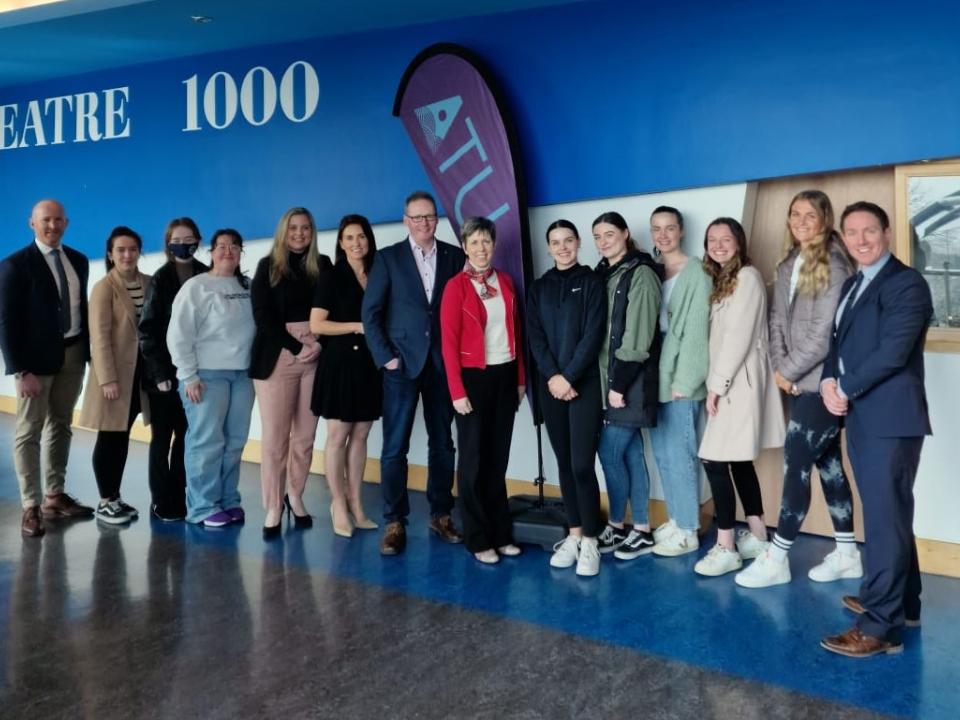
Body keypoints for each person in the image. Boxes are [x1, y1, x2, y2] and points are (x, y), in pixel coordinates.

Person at [820, 202, 932, 658]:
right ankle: (903, 603)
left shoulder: (907, 283)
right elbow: (837, 344)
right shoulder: (853, 283)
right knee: (889, 514)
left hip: (891, 419)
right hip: (864, 416)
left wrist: (844, 386)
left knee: (885, 520)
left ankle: (881, 628)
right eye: (852, 232)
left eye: (870, 231)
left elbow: (892, 351)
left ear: (887, 233)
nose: (861, 239)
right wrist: (830, 379)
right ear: (844, 237)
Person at [737, 190, 860, 589]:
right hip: (794, 381)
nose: (801, 221)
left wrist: (788, 370)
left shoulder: (836, 263)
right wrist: (780, 369)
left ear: (826, 219)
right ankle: (847, 553)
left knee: (796, 465)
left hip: (822, 384)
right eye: (795, 214)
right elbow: (776, 319)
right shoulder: (790, 261)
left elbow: (826, 334)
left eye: (811, 215)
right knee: (828, 465)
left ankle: (778, 556)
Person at [361, 191, 465, 555]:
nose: (424, 223)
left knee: (443, 444)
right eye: (416, 218)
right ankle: (394, 521)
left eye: (429, 217)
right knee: (394, 448)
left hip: (442, 366)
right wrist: (386, 358)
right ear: (405, 220)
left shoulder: (455, 256)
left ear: (437, 219)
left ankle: (441, 514)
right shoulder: (388, 258)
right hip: (401, 365)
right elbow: (370, 314)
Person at [695, 217, 785, 577]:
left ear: (739, 242)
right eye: (711, 239)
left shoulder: (746, 278)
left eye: (725, 239)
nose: (718, 245)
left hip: (737, 385)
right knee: (737, 461)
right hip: (734, 383)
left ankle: (726, 545)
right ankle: (759, 534)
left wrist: (716, 386)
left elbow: (738, 339)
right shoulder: (725, 280)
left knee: (714, 460)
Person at [0, 199, 94, 537]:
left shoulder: (79, 261)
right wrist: (19, 370)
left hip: (72, 356)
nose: (52, 226)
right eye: (45, 220)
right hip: (34, 365)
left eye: (58, 220)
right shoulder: (14, 266)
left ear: (66, 223)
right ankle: (30, 506)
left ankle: (54, 496)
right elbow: (6, 323)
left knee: (61, 425)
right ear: (32, 223)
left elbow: (80, 310)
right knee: (29, 432)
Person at [440, 217, 525, 564]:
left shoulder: (504, 281)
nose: (480, 248)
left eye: (486, 242)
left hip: (505, 377)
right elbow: (448, 344)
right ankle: (477, 539)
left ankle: (500, 533)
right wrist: (457, 392)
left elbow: (516, 334)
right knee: (473, 461)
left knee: (497, 460)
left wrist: (520, 379)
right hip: (472, 379)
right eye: (474, 242)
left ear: (494, 244)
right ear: (464, 247)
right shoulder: (455, 287)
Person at [526, 220, 606, 576]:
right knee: (563, 464)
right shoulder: (539, 288)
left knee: (581, 465)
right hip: (552, 387)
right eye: (555, 242)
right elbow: (536, 338)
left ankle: (591, 540)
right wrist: (555, 378)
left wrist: (569, 376)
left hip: (583, 385)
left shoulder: (592, 283)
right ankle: (573, 534)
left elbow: (593, 335)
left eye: (568, 241)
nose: (562, 247)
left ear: (578, 244)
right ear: (548, 248)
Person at [250, 208, 330, 540]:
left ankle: (294, 495)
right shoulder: (267, 267)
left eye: (306, 228)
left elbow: (335, 306)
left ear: (312, 232)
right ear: (284, 231)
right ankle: (273, 506)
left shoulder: (323, 265)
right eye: (293, 228)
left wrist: (318, 342)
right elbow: (262, 316)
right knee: (275, 441)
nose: (299, 233)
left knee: (305, 438)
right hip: (278, 354)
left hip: (316, 355)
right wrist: (297, 346)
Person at [167, 229, 256, 528]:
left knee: (234, 442)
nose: (228, 251)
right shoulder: (197, 287)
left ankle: (228, 500)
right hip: (206, 376)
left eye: (234, 246)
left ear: (241, 251)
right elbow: (178, 335)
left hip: (243, 375)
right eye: (221, 246)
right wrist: (188, 376)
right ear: (211, 252)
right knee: (206, 442)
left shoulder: (249, 286)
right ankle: (203, 507)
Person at [592, 212, 662, 560]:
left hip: (629, 380)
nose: (603, 242)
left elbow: (638, 335)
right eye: (597, 237)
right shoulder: (605, 273)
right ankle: (642, 530)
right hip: (611, 378)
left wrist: (617, 385)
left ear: (625, 234)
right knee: (631, 454)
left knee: (609, 452)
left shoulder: (642, 274)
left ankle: (618, 524)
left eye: (609, 234)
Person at [646, 206, 712, 557]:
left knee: (682, 452)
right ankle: (676, 517)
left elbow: (699, 333)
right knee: (664, 454)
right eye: (657, 229)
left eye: (670, 228)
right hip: (656, 376)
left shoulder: (697, 273)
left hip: (681, 379)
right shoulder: (653, 270)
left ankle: (688, 529)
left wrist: (686, 381)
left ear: (681, 231)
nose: (663, 235)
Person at [311, 214, 381, 538]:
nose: (357, 243)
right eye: (350, 238)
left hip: (369, 364)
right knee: (338, 436)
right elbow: (317, 325)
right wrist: (356, 326)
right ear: (341, 243)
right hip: (340, 363)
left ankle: (356, 502)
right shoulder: (331, 276)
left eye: (362, 237)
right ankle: (337, 503)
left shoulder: (379, 273)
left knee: (362, 434)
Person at [78, 226, 152, 525]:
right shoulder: (103, 287)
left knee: (122, 437)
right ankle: (106, 500)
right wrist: (107, 379)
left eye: (132, 249)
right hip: (115, 378)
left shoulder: (149, 283)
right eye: (120, 250)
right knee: (109, 437)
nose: (127, 254)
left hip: (141, 377)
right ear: (110, 254)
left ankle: (116, 496)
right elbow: (100, 337)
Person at [138, 217, 209, 522]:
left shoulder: (207, 274)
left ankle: (179, 495)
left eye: (189, 237)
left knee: (187, 438)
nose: (184, 243)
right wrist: (159, 374)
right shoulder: (160, 278)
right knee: (161, 439)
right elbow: (148, 330)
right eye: (177, 239)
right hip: (164, 377)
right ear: (168, 243)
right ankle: (160, 498)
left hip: (196, 374)